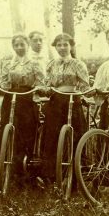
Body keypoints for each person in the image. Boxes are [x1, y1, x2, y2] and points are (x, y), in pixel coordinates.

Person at [41, 33, 90, 180]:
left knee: (74, 137)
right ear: (55, 47)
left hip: (72, 102)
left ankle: (75, 177)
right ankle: (52, 176)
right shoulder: (51, 64)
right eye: (59, 45)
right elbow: (47, 84)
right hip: (55, 102)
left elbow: (85, 85)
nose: (62, 48)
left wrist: (80, 92)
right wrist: (46, 89)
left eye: (65, 45)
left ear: (71, 46)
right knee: (52, 137)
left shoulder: (78, 64)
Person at [0, 34, 45, 177]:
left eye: (22, 44)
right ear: (13, 47)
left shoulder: (34, 63)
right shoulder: (8, 63)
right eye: (16, 45)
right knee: (10, 130)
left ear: (27, 45)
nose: (19, 47)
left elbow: (40, 81)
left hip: (27, 98)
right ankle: (11, 169)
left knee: (27, 132)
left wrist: (36, 88)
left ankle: (29, 169)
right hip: (11, 98)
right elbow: (5, 83)